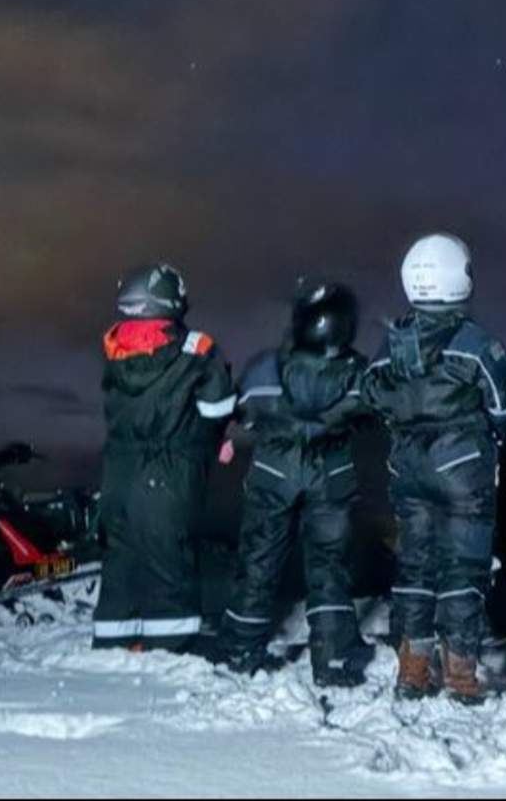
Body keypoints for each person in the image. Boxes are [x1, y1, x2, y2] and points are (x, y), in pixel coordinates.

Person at [359, 233, 506, 705]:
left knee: (414, 568)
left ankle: (412, 670)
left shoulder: (392, 343)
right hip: (464, 469)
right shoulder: (475, 344)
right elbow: (504, 405)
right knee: (464, 569)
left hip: (408, 469)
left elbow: (371, 393)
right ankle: (461, 675)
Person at [213, 279, 372, 699]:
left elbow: (243, 412)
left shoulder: (266, 368)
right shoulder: (358, 373)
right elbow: (373, 410)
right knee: (329, 567)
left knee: (259, 561)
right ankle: (334, 659)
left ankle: (240, 650)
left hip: (273, 471)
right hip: (331, 474)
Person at [94, 263, 235, 652]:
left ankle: (113, 644)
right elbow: (216, 408)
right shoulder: (198, 349)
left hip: (117, 473)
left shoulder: (113, 349)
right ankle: (172, 649)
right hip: (169, 471)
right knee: (168, 559)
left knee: (120, 558)